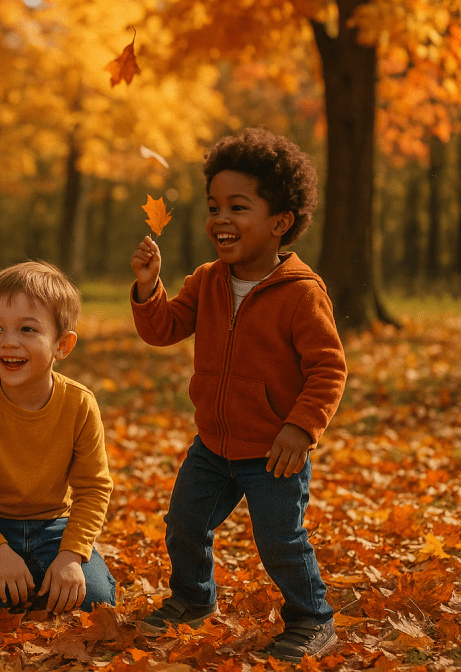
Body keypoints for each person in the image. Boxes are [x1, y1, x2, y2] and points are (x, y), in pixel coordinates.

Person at [129, 128, 347, 662]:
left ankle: (312, 617)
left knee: (280, 542)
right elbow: (164, 328)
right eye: (213, 206)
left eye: (238, 207)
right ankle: (191, 598)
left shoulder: (300, 293)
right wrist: (148, 288)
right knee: (184, 523)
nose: (220, 218)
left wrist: (300, 428)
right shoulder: (208, 280)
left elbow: (328, 368)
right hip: (213, 444)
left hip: (273, 450)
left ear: (280, 222)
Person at [0, 261, 116, 615]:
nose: (8, 342)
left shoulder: (79, 403)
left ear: (62, 345)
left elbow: (94, 488)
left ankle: (40, 570)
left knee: (93, 599)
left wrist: (71, 555)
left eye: (28, 330)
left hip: (53, 526)